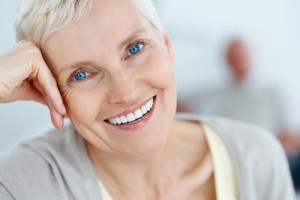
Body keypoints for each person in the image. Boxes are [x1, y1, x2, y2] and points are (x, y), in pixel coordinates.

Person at [0, 0, 295, 199]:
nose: (125, 92)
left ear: (167, 46)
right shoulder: (24, 184)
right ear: (49, 91)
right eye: (81, 75)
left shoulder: (257, 158)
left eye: (135, 48)